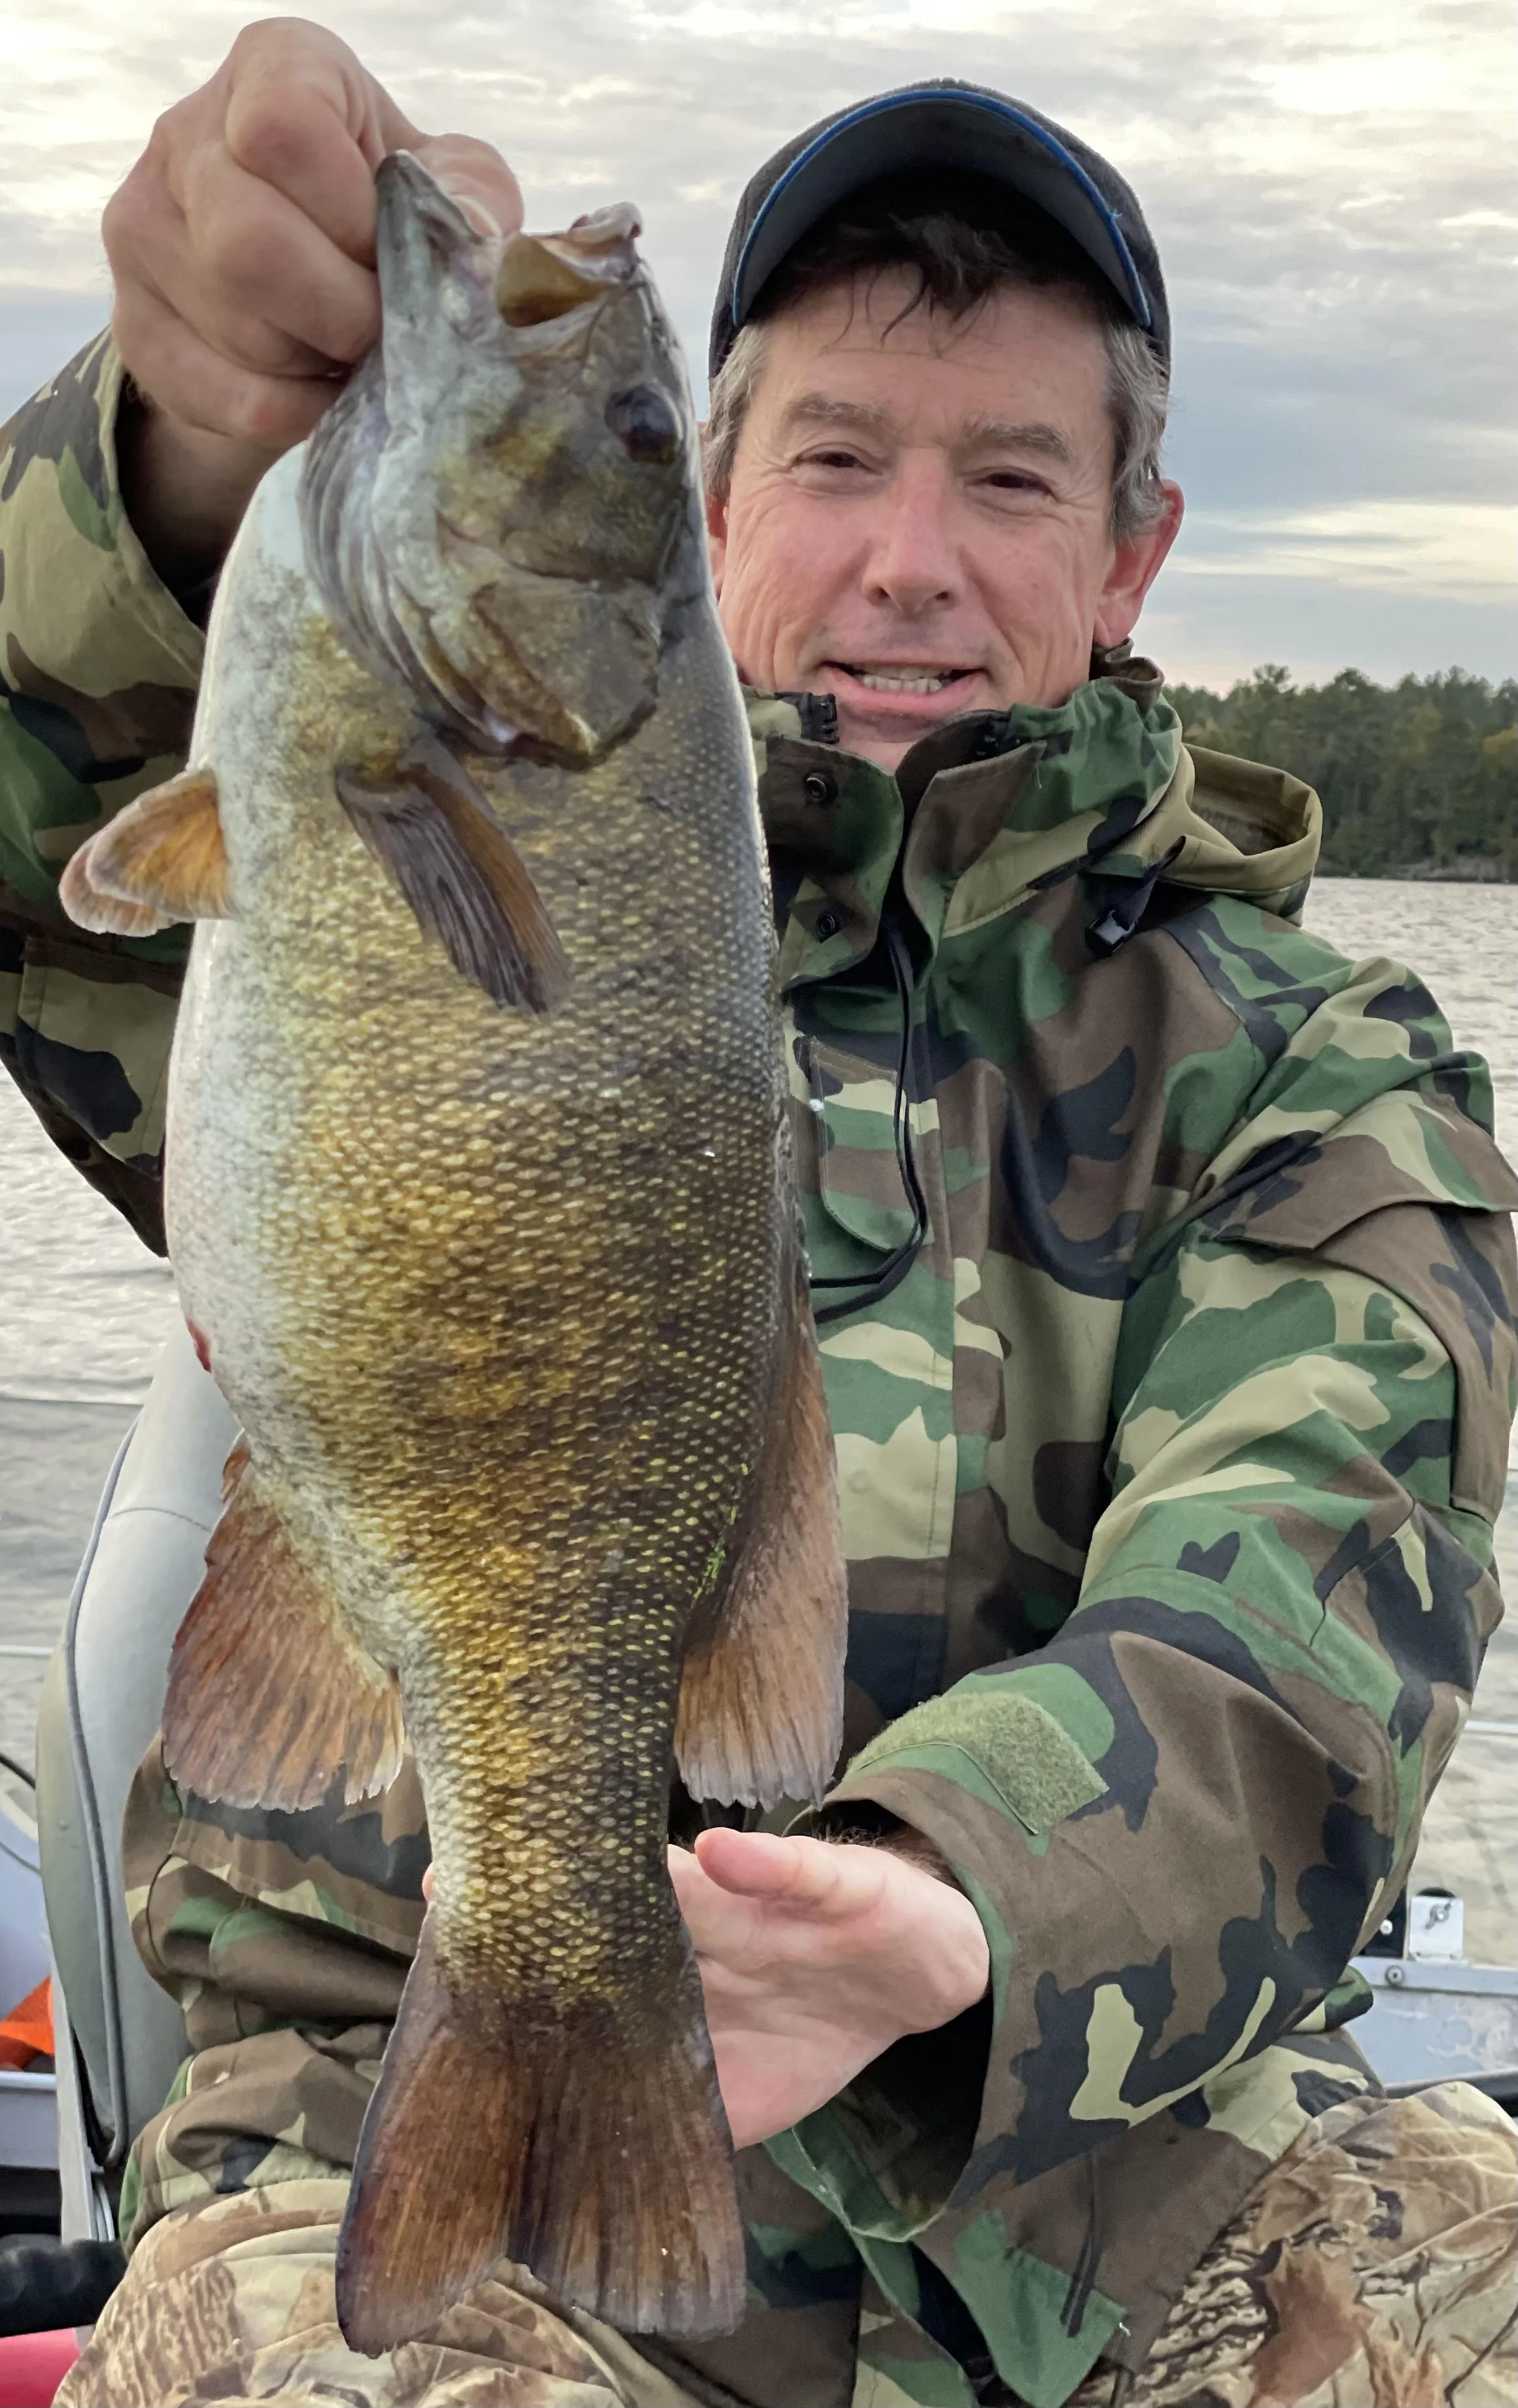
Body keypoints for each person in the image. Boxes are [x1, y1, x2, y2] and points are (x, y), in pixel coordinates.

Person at [1, 24, 1515, 2406]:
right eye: (832, 454)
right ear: (708, 510)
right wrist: (164, 457)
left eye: (1011, 474)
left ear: (1134, 556)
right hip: (403, 2152)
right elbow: (40, 824)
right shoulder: (352, 806)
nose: (910, 557)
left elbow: (1305, 1636)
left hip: (1107, 2184)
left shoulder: (1316, 1078)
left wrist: (947, 1902)